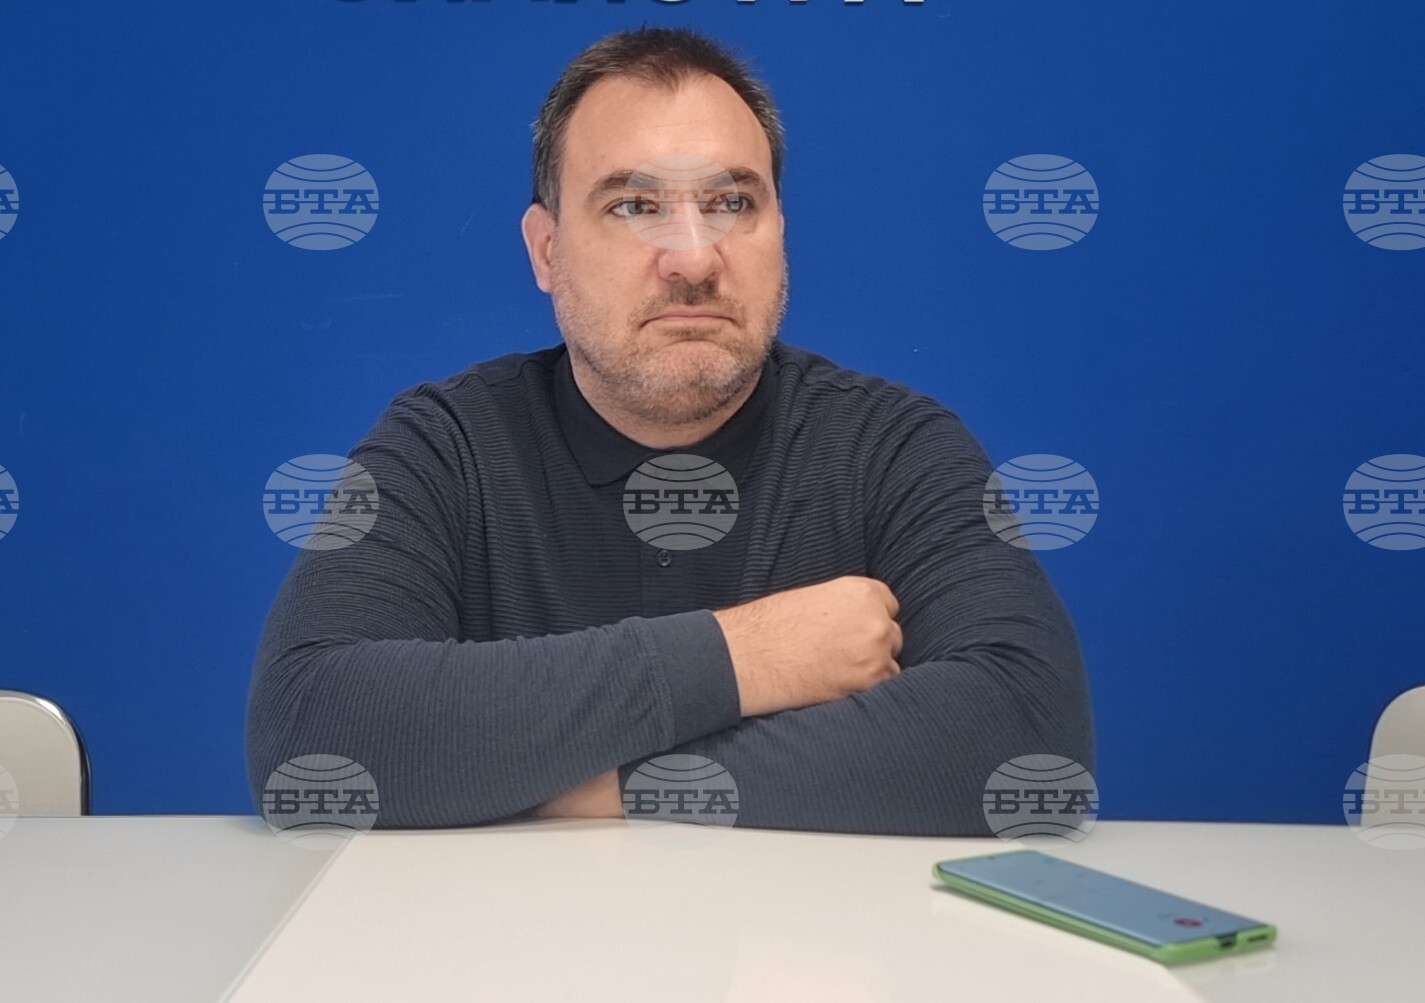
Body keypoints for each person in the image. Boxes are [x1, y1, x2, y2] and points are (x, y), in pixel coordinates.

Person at [245, 25, 1094, 836]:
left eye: (731, 202)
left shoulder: (894, 448)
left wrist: (590, 786)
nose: (692, 257)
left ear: (780, 231)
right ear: (546, 251)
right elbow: (308, 730)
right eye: (633, 205)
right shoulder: (449, 447)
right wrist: (751, 655)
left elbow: (1030, 737)